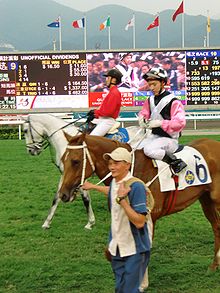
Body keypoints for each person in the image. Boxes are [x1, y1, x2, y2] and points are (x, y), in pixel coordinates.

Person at [82, 147, 151, 293]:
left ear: (128, 165)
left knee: (129, 290)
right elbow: (111, 192)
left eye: (117, 163)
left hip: (135, 250)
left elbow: (139, 222)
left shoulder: (136, 187)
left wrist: (123, 201)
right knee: (120, 288)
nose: (112, 167)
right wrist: (93, 187)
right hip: (117, 248)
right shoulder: (115, 183)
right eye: (110, 163)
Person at [138, 67, 187, 174]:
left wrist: (160, 123)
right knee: (136, 148)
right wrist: (142, 119)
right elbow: (144, 113)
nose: (151, 88)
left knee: (148, 150)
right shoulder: (150, 100)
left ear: (163, 83)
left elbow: (180, 123)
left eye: (154, 84)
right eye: (150, 85)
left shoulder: (173, 101)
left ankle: (175, 162)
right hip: (154, 137)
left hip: (169, 139)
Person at [86, 68, 123, 136]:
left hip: (107, 121)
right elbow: (104, 110)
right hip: (102, 119)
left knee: (92, 139)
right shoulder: (111, 91)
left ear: (113, 80)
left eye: (108, 78)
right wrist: (95, 114)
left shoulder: (114, 93)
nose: (106, 80)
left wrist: (95, 112)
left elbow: (108, 112)